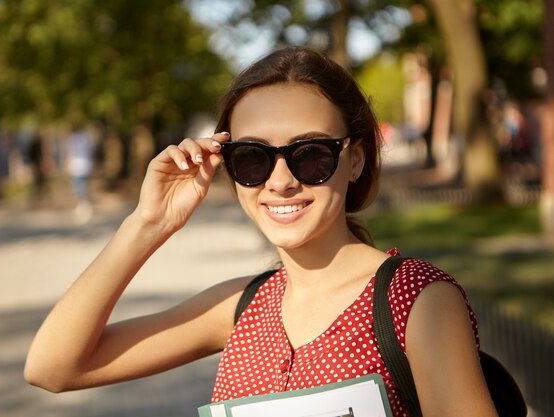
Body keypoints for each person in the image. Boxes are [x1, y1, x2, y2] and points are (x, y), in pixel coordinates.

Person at [25, 47, 497, 416]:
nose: (281, 181)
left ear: (355, 159)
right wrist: (149, 224)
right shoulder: (240, 308)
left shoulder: (414, 300)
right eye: (252, 158)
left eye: (311, 153)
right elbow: (53, 367)